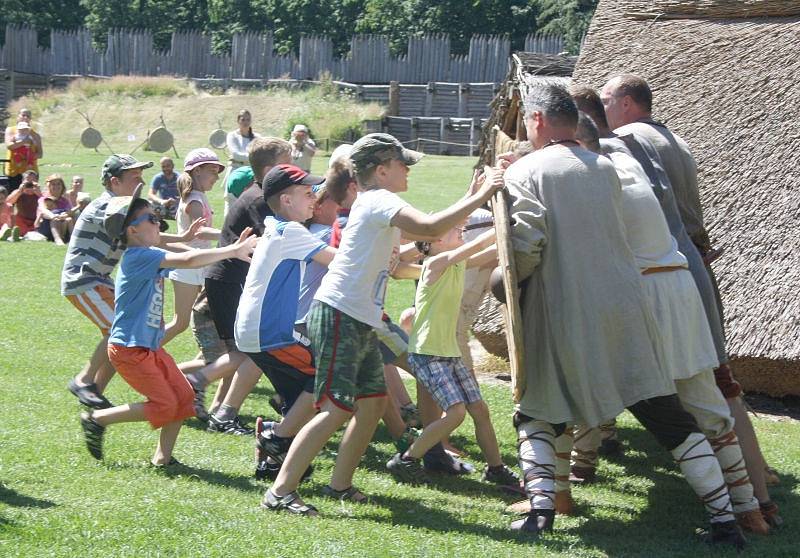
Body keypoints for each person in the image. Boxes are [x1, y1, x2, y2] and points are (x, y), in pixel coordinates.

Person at [501, 84, 744, 548]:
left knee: (536, 414)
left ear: (535, 121)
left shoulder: (528, 170)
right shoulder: (607, 168)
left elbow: (525, 248)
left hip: (565, 315)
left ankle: (539, 512)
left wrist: (506, 281)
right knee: (671, 419)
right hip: (629, 311)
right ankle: (724, 520)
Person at [262, 132, 503, 516]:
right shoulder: (379, 201)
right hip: (340, 314)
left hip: (358, 319)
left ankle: (339, 484)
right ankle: (280, 491)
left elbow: (430, 233)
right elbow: (428, 228)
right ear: (381, 169)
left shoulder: (377, 203)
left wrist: (471, 197)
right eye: (402, 163)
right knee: (336, 408)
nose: (408, 169)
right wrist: (480, 195)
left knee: (373, 404)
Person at [569, 113, 770, 535]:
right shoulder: (628, 161)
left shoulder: (598, 177)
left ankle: (572, 475)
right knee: (708, 404)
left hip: (650, 295)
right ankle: (749, 508)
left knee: (595, 382)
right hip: (678, 288)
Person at [78, 187, 257, 465]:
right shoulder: (139, 257)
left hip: (147, 347)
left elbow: (182, 250)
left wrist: (222, 250)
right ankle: (98, 419)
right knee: (165, 404)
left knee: (184, 397)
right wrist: (231, 250)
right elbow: (186, 259)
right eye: (151, 218)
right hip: (129, 349)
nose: (158, 222)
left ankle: (163, 459)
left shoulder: (147, 251)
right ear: (132, 231)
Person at [62, 154, 202, 410]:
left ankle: (96, 393)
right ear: (115, 182)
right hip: (83, 280)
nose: (141, 181)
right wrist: (187, 247)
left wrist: (183, 240)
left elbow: (149, 235)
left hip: (100, 279)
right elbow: (146, 232)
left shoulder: (120, 207)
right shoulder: (108, 207)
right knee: (117, 330)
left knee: (123, 334)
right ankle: (84, 381)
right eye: (134, 177)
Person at [386, 224, 519, 486]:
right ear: (434, 240)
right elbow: (478, 245)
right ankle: (407, 459)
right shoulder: (436, 264)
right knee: (456, 412)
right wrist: (499, 226)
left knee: (479, 410)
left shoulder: (458, 262)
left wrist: (512, 235)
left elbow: (491, 250)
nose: (461, 229)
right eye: (454, 229)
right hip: (427, 354)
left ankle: (495, 468)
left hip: (449, 353)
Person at [234, 165, 336, 482]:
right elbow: (340, 260)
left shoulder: (276, 228)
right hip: (270, 333)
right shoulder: (291, 232)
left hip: (253, 332)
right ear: (286, 200)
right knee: (326, 378)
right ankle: (275, 438)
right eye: (307, 193)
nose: (315, 198)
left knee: (298, 399)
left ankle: (272, 461)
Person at [204, 136, 292, 435]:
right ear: (270, 170)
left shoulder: (261, 195)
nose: (293, 169)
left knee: (244, 351)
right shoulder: (260, 200)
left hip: (231, 280)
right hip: (229, 280)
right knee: (250, 352)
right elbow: (274, 240)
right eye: (287, 163)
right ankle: (194, 384)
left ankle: (221, 410)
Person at [162, 149, 224, 346]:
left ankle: (217, 359)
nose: (216, 177)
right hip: (188, 266)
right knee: (180, 323)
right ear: (197, 171)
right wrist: (229, 236)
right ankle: (140, 353)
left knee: (215, 317)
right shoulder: (194, 200)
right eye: (213, 171)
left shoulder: (199, 196)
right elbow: (200, 232)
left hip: (199, 263)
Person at [222, 109, 259, 216]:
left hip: (251, 173)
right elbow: (235, 154)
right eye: (243, 119)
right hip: (235, 170)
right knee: (231, 202)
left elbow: (260, 153)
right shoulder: (232, 136)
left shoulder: (257, 137)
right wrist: (252, 156)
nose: (245, 122)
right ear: (238, 121)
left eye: (248, 119)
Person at [4, 110, 42, 193]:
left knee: (29, 197)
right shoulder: (10, 130)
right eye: (23, 115)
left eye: (28, 116)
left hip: (30, 171)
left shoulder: (35, 134)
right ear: (18, 116)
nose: (25, 118)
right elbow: (10, 146)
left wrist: (28, 157)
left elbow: (40, 154)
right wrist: (24, 141)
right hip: (14, 170)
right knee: (13, 195)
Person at [35, 174, 74, 245]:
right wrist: (53, 216)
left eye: (58, 184)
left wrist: (65, 215)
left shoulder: (65, 200)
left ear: (62, 186)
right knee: (55, 219)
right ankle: (58, 239)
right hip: (47, 226)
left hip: (63, 226)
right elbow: (44, 210)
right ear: (49, 186)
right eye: (53, 184)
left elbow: (70, 211)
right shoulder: (43, 199)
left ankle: (72, 240)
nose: (56, 186)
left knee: (69, 219)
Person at [6, 170, 41, 236]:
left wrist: (39, 194)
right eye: (28, 182)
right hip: (21, 220)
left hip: (36, 221)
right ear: (22, 181)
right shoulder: (18, 192)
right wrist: (19, 191)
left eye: (32, 182)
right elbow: (7, 203)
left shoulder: (40, 193)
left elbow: (47, 205)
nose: (29, 185)